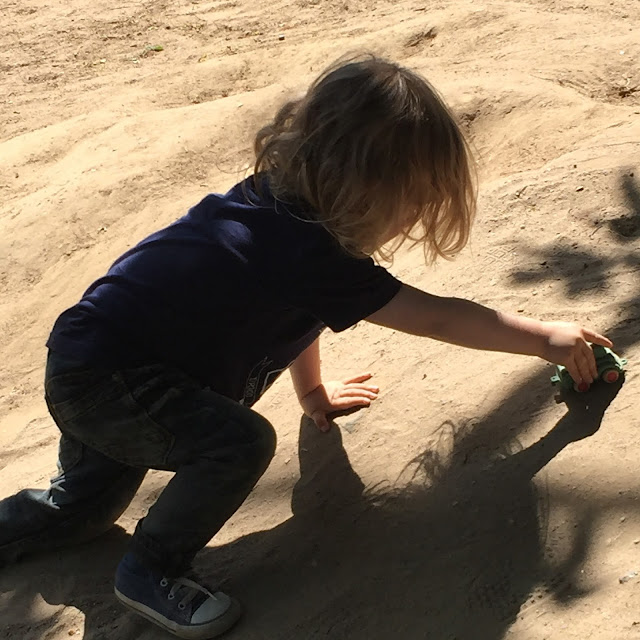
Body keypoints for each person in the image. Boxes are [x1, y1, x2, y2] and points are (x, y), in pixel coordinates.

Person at [0, 55, 612, 639]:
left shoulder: (276, 206)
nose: (410, 219)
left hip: (87, 353)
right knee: (237, 444)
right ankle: (151, 568)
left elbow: (291, 310)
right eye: (411, 203)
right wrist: (545, 338)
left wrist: (312, 390)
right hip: (117, 381)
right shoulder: (310, 253)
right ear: (368, 189)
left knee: (79, 509)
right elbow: (435, 318)